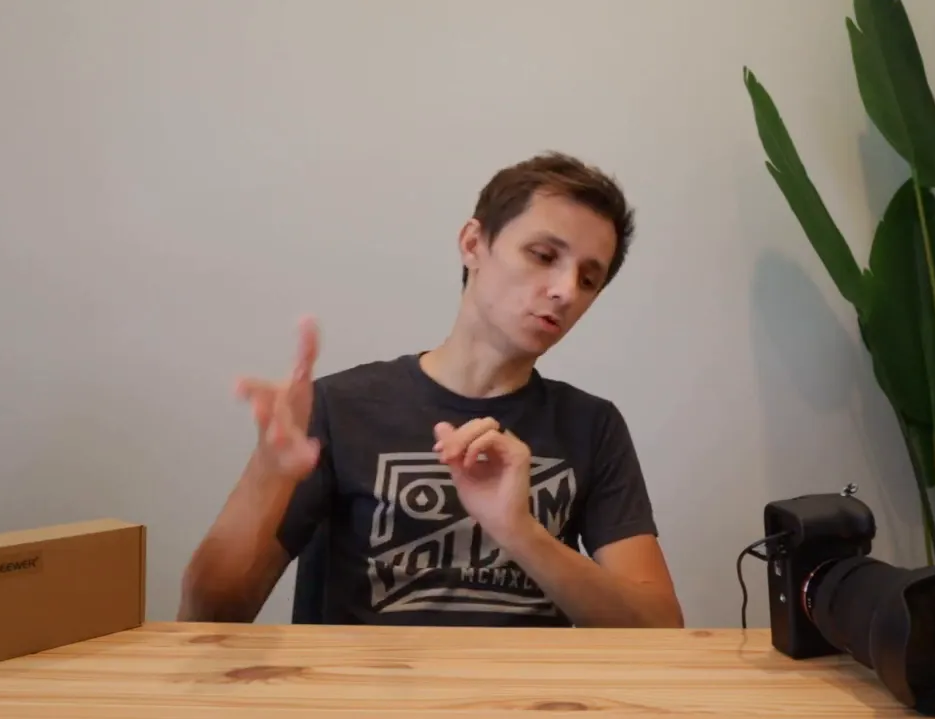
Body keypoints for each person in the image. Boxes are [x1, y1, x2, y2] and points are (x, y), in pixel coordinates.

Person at [178, 151, 683, 628]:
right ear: (472, 244)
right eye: (544, 255)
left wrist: (520, 531)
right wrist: (268, 476)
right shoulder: (339, 407)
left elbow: (660, 630)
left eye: (588, 279)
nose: (566, 290)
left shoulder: (591, 426)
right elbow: (208, 619)